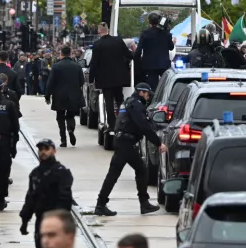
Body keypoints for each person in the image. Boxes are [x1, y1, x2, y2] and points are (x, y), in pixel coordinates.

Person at [94, 83, 163, 217]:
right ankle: (143, 203)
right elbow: (143, 126)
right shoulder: (136, 104)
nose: (148, 97)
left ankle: (101, 204)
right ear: (142, 92)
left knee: (116, 173)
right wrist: (158, 143)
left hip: (121, 141)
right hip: (125, 143)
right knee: (140, 170)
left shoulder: (128, 102)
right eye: (148, 94)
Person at [19, 139, 74, 248]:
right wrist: (25, 219)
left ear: (54, 151)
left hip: (56, 221)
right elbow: (31, 198)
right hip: (41, 221)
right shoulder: (35, 174)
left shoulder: (62, 172)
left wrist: (61, 222)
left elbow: (65, 198)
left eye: (46, 149)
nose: (43, 152)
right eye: (41, 149)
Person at [88, 23, 134, 133]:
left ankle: (112, 125)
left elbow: (94, 63)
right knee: (120, 100)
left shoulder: (97, 44)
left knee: (108, 102)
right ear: (108, 30)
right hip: (119, 77)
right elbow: (129, 55)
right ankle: (123, 122)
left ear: (99, 32)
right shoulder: (118, 41)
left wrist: (91, 78)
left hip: (105, 79)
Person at [44, 46, 85, 147]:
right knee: (71, 115)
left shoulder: (56, 66)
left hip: (59, 96)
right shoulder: (77, 66)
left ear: (61, 54)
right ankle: (70, 129)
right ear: (70, 54)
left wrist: (47, 95)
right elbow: (82, 82)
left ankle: (63, 139)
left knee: (60, 117)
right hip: (73, 95)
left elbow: (50, 82)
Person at [0, 78, 19, 211]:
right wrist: (13, 145)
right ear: (2, 88)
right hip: (4, 141)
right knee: (3, 172)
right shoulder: (9, 105)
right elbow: (15, 127)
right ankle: (1, 199)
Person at [133, 13, 174, 89]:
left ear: (149, 22)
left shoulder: (145, 33)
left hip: (149, 65)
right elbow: (171, 47)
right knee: (165, 86)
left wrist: (136, 61)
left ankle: (152, 99)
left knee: (152, 86)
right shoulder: (166, 33)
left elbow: (138, 50)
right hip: (164, 63)